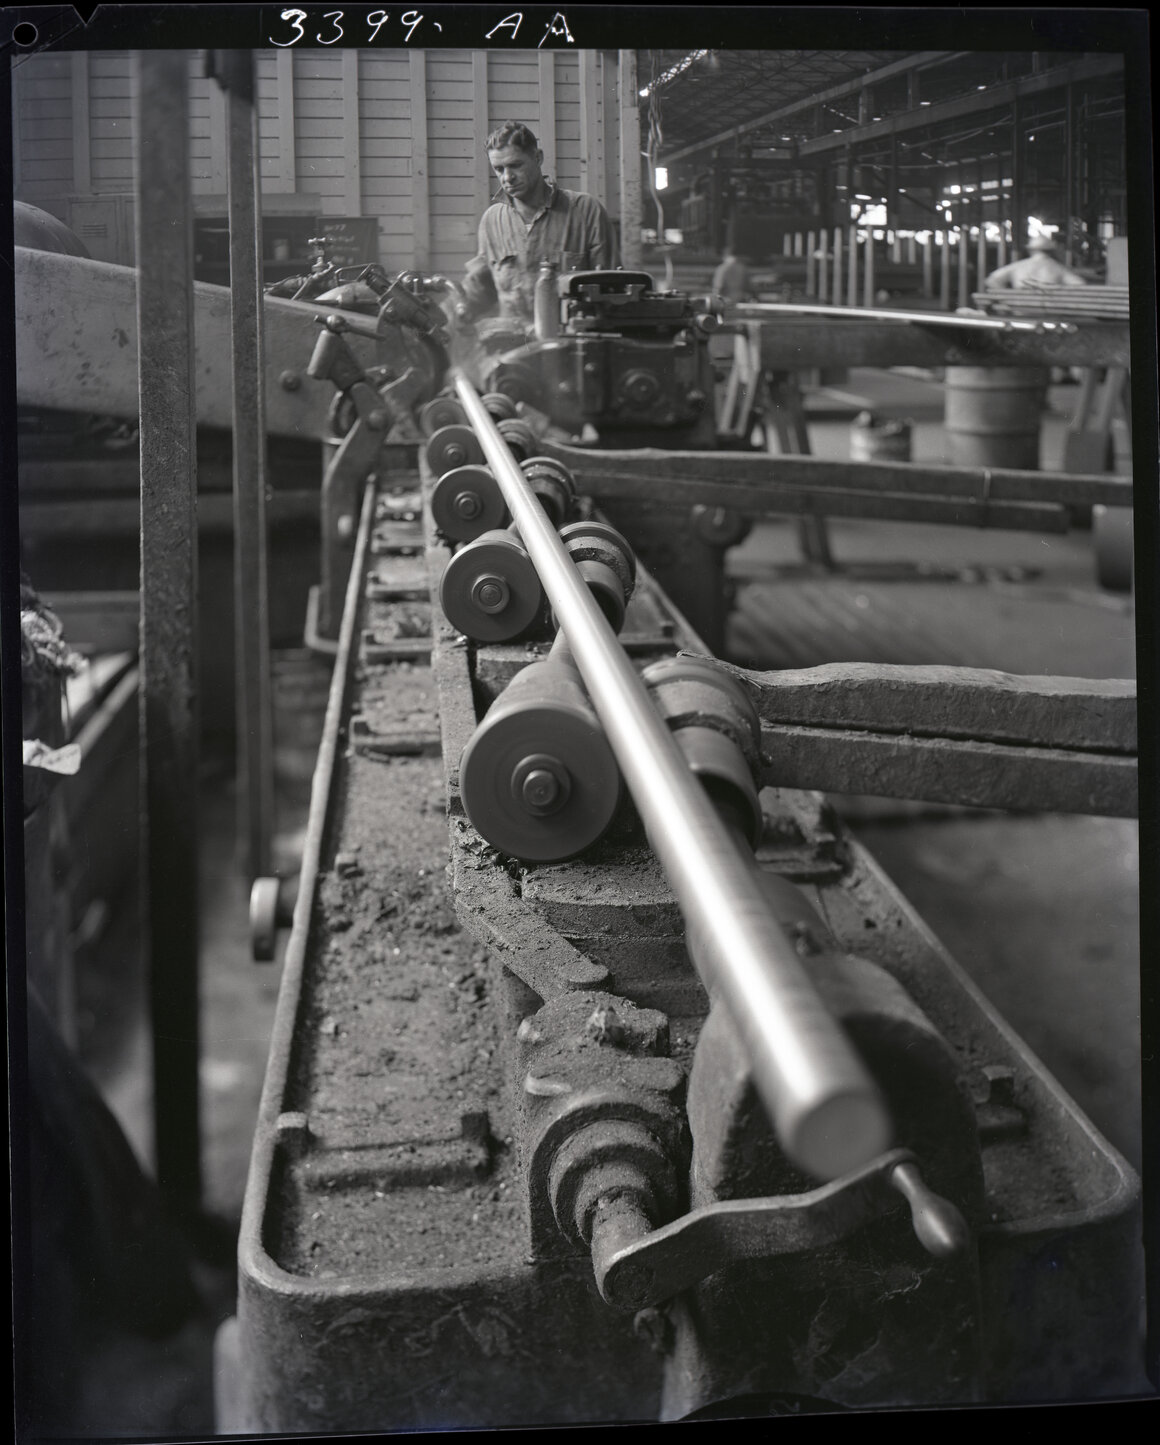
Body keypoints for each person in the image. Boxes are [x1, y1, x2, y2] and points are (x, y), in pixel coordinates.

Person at [455, 122, 617, 338]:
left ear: (538, 158)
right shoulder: (492, 220)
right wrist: (455, 309)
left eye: (515, 165)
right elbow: (480, 290)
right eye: (499, 169)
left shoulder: (585, 211)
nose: (507, 177)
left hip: (569, 345)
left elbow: (612, 290)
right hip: (513, 347)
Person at [984, 233, 1087, 291]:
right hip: (1049, 314)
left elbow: (992, 280)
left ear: (1030, 250)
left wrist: (1008, 297)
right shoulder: (1058, 268)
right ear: (1051, 251)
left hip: (1019, 311)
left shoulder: (1018, 266)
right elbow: (1080, 285)